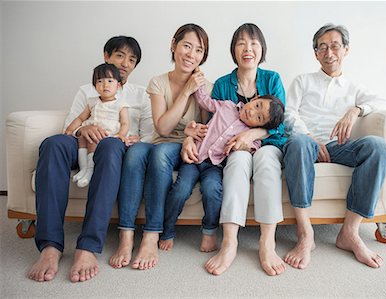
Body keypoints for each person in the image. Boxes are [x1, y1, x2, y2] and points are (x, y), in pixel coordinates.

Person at [27, 36, 152, 283]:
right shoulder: (87, 90)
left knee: (110, 146)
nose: (125, 63)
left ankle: (88, 246)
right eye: (120, 55)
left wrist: (131, 138)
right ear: (106, 56)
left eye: (132, 59)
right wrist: (81, 130)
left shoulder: (140, 94)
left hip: (115, 148)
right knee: (53, 145)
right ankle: (50, 246)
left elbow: (150, 133)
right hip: (83, 143)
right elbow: (69, 125)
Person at [283, 23, 386, 270]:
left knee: (379, 147)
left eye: (334, 46)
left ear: (346, 50)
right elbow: (288, 114)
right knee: (298, 142)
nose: (328, 52)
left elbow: (385, 101)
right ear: (316, 54)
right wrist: (310, 137)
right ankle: (305, 234)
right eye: (322, 47)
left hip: (339, 146)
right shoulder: (303, 81)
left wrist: (356, 110)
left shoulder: (354, 88)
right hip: (306, 142)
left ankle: (350, 233)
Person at [182, 23, 287, 276]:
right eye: (241, 43)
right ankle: (229, 242)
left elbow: (280, 126)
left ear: (262, 49)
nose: (247, 48)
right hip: (233, 149)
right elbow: (210, 124)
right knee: (238, 161)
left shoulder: (272, 79)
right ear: (233, 49)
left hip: (267, 143)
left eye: (253, 43)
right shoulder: (222, 84)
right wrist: (189, 137)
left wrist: (252, 133)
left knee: (266, 162)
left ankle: (267, 242)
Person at [109, 23, 216, 270]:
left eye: (199, 50)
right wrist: (187, 90)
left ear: (203, 56)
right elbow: (163, 128)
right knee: (135, 153)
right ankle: (126, 236)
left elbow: (206, 131)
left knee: (159, 155)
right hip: (161, 141)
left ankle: (151, 234)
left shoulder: (206, 88)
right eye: (187, 46)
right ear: (173, 45)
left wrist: (190, 136)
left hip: (186, 149)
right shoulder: (158, 82)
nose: (191, 54)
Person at [162, 84, 285, 253]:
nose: (252, 112)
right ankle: (167, 230)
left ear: (259, 126)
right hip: (194, 158)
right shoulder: (227, 106)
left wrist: (240, 146)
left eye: (258, 117)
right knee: (180, 190)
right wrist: (198, 84)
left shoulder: (248, 134)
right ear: (255, 99)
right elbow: (205, 102)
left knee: (213, 191)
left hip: (215, 166)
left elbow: (252, 148)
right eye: (257, 106)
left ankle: (209, 232)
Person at [65, 63, 130, 187]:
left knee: (93, 141)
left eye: (110, 81)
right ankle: (83, 169)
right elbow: (80, 118)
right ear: (95, 86)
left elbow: (125, 123)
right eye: (100, 81)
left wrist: (121, 134)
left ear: (118, 85)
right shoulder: (92, 101)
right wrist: (70, 129)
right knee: (82, 140)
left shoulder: (121, 104)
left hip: (107, 133)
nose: (105, 85)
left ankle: (90, 170)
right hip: (91, 129)